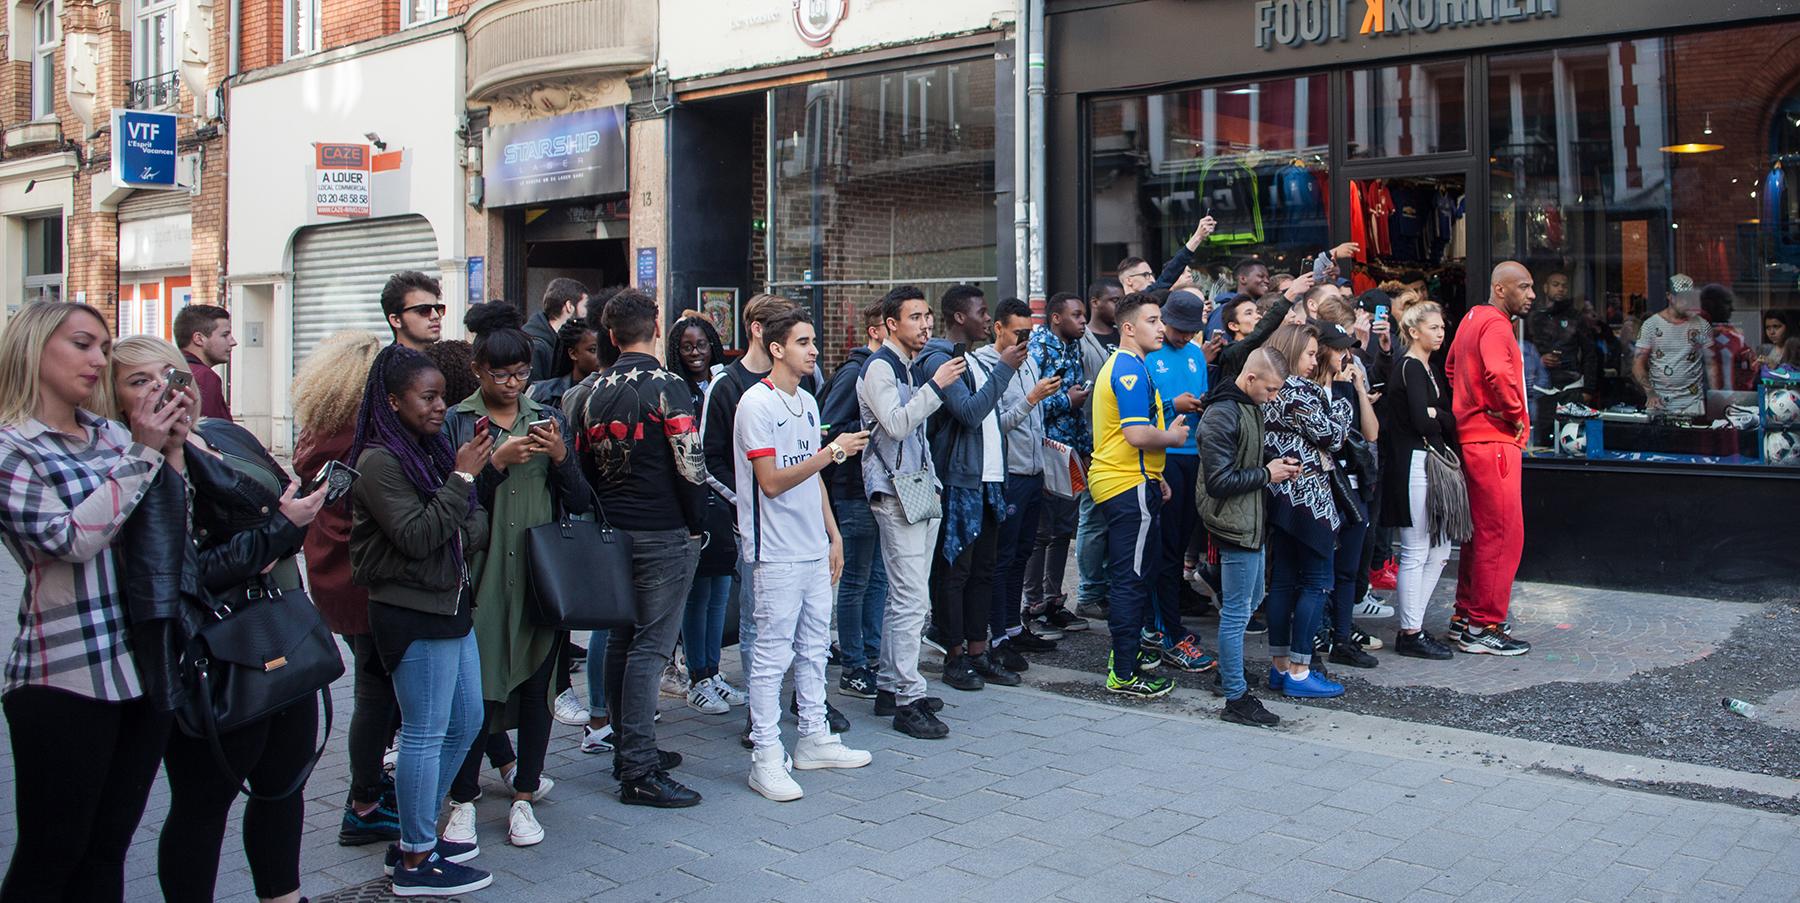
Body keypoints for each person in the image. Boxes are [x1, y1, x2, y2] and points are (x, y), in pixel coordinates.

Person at [105, 337, 325, 903]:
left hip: (279, 627)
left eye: (169, 374)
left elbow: (285, 499)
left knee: (284, 785)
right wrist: (275, 534)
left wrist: (285, 525)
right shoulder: (133, 467)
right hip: (210, 650)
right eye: (139, 381)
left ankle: (283, 896)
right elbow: (182, 574)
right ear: (114, 399)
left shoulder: (224, 434)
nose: (163, 390)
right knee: (205, 803)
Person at [0, 301, 185, 901]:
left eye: (104, 348)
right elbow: (71, 539)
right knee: (53, 852)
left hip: (141, 662)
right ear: (34, 347)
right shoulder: (13, 449)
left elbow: (167, 534)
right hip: (66, 671)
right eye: (82, 344)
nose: (98, 360)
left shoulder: (110, 434)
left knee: (108, 849)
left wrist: (173, 449)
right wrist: (144, 454)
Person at [441, 303, 591, 848]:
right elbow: (451, 505)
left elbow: (580, 500)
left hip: (537, 573)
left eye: (521, 373)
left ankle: (524, 796)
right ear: (478, 371)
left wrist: (562, 458)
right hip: (479, 574)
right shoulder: (459, 421)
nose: (512, 384)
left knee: (536, 690)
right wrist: (495, 464)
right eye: (500, 374)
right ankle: (462, 798)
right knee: (474, 695)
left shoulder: (547, 416)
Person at [348, 345, 494, 896]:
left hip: (450, 602)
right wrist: (462, 481)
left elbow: (474, 527)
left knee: (466, 720)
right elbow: (417, 536)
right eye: (427, 398)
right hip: (412, 611)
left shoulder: (428, 450)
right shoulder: (379, 461)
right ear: (393, 401)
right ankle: (415, 858)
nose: (439, 407)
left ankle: (417, 833)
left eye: (442, 397)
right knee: (425, 732)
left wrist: (455, 501)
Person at [734, 307, 875, 800]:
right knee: (772, 655)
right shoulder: (755, 404)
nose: (813, 350)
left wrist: (832, 534)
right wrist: (833, 452)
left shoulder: (809, 402)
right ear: (776, 348)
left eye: (813, 341)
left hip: (813, 545)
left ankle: (814, 736)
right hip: (775, 550)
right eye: (803, 342)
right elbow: (771, 482)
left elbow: (812, 478)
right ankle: (766, 755)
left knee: (815, 647)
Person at [580, 288, 709, 807]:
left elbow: (582, 470)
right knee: (650, 648)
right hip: (662, 531)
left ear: (611, 336)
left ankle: (627, 748)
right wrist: (696, 525)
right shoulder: (668, 386)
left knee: (621, 640)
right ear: (656, 329)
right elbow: (691, 466)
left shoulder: (590, 391)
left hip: (613, 531)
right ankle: (637, 767)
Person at [292, 330, 404, 847]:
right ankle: (364, 803)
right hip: (363, 576)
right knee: (375, 690)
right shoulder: (361, 433)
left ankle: (371, 789)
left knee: (374, 685)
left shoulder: (319, 428)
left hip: (331, 572)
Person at [858, 285, 961, 737]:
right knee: (910, 598)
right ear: (890, 324)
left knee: (908, 595)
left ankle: (889, 685)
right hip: (894, 492)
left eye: (927, 315)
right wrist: (936, 387)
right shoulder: (880, 367)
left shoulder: (906, 365)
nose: (926, 324)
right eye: (915, 317)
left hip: (917, 489)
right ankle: (908, 698)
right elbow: (897, 425)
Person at [914, 284, 1022, 690]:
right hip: (960, 482)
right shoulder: (939, 359)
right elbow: (969, 413)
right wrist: (1005, 369)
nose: (987, 318)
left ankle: (979, 651)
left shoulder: (973, 359)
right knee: (955, 571)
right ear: (960, 317)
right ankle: (954, 655)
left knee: (984, 571)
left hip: (988, 480)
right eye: (981, 312)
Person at [1089, 292, 1191, 697]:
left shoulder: (1132, 365)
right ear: (1129, 328)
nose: (1161, 328)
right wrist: (1174, 439)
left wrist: (1155, 474)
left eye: (1160, 320)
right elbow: (1135, 434)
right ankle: (1124, 673)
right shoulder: (1128, 368)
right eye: (1153, 321)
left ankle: (1126, 654)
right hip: (1125, 483)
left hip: (1135, 479)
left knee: (1136, 575)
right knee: (1130, 580)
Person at [1198, 346, 1297, 725]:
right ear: (1251, 378)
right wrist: (1268, 473)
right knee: (1238, 612)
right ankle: (1236, 698)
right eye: (1270, 389)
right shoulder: (1222, 413)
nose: (1273, 397)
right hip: (1234, 525)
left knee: (1249, 601)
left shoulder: (1247, 405)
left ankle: (1230, 675)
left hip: (1249, 522)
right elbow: (1219, 481)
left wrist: (1275, 466)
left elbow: (1246, 461)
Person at [1445, 261, 1534, 656]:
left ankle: (1467, 617)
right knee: (1501, 536)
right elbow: (1498, 372)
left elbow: (1451, 368)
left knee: (1481, 534)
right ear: (1501, 289)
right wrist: (1513, 414)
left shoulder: (1472, 319)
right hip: (1494, 441)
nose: (1531, 295)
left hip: (1476, 438)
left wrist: (1472, 403)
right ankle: (1483, 626)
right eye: (1524, 287)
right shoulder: (1497, 324)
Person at [1260, 323, 1348, 699]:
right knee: (1317, 581)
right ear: (1292, 351)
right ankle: (1299, 671)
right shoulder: (1298, 390)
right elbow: (1334, 437)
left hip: (1278, 495)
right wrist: (1342, 402)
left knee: (1282, 580)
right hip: (1309, 498)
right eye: (1310, 354)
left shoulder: (1268, 389)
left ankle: (1281, 667)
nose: (1315, 361)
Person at [974, 298, 1063, 671]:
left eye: (1029, 333)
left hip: (1032, 472)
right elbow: (993, 424)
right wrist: (1030, 399)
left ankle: (1013, 626)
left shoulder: (1030, 361)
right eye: (1018, 333)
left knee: (1022, 553)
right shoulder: (985, 365)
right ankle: (997, 635)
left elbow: (1035, 424)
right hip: (1007, 474)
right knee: (1003, 557)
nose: (1025, 340)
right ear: (998, 328)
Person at [1140, 289, 1221, 671]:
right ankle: (1163, 627)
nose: (1185, 336)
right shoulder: (1148, 354)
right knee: (1165, 548)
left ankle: (1171, 623)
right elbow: (1139, 411)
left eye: (1191, 330)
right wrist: (1175, 405)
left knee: (1181, 543)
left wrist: (1200, 404)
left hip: (1193, 455)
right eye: (1179, 329)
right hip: (1163, 457)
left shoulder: (1195, 354)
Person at [667, 314, 740, 715]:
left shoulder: (722, 385)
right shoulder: (674, 389)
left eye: (701, 345)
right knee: (697, 593)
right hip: (694, 500)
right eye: (686, 347)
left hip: (724, 499)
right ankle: (697, 676)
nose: (695, 353)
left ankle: (712, 671)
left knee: (720, 589)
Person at [818, 299, 891, 699]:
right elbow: (829, 428)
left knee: (877, 578)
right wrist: (875, 426)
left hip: (879, 490)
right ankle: (853, 664)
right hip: (852, 490)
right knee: (857, 579)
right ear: (876, 331)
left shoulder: (891, 370)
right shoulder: (856, 371)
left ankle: (871, 655)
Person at [1380, 302, 1458, 660]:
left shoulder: (1429, 368)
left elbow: (1447, 419)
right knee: (1416, 550)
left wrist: (1437, 415)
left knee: (1439, 550)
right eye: (1433, 327)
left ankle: (1414, 626)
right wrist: (1439, 418)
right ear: (1414, 331)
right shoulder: (1410, 366)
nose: (1440, 333)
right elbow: (1422, 422)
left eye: (1442, 327)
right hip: (1412, 463)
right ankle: (1411, 631)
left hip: (1430, 462)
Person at [1309, 320, 1381, 671]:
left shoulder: (1346, 387)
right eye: (1339, 348)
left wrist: (1359, 388)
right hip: (1322, 487)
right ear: (1322, 350)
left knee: (1349, 568)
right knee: (1318, 571)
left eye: (1347, 348)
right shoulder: (1306, 390)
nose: (1345, 355)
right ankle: (1313, 637)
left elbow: (1371, 432)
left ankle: (1342, 639)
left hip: (1352, 486)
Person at [1023, 291, 1093, 636]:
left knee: (1064, 529)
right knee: (1041, 532)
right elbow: (1028, 404)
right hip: (1045, 452)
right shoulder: (1038, 350)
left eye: (1083, 315)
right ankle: (1032, 605)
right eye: (1076, 315)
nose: (1083, 321)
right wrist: (1067, 400)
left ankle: (1053, 602)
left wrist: (1085, 450)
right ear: (1055, 318)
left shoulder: (1073, 348)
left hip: (1070, 454)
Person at [1073, 278, 1122, 622]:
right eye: (1113, 300)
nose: (1118, 305)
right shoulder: (1082, 341)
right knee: (1092, 519)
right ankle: (1089, 593)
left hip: (1122, 442)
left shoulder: (1124, 337)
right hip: (1094, 441)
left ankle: (1105, 589)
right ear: (1095, 302)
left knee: (1112, 521)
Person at [1633, 276, 1710, 416]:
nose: (1687, 302)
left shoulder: (1701, 324)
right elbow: (1637, 365)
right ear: (1669, 296)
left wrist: (1716, 396)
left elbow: (1713, 363)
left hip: (1692, 403)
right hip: (1659, 403)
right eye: (1682, 298)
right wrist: (1650, 392)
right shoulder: (1651, 325)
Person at [1118, 216, 1218, 295]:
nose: (1152, 280)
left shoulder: (1152, 300)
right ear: (1129, 280)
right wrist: (1198, 237)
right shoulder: (1132, 304)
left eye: (1152, 275)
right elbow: (1170, 273)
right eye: (1146, 275)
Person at [174, 303, 236, 419]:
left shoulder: (173, 370)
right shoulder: (204, 376)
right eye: (225, 335)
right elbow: (210, 426)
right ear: (199, 339)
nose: (233, 342)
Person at [528, 317, 601, 411]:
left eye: (603, 349)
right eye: (593, 350)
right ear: (573, 353)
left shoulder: (610, 390)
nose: (601, 355)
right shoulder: (542, 392)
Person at [525, 278, 589, 380]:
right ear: (569, 306)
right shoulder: (536, 347)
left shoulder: (548, 341)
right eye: (585, 306)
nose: (588, 312)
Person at [1701, 284, 1758, 392]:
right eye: (1727, 303)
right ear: (1711, 304)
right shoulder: (1691, 334)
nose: (1732, 309)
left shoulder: (1733, 337)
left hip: (1727, 397)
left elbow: (1750, 366)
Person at [383, 271, 447, 351]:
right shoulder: (386, 358)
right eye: (424, 310)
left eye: (437, 309)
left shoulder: (449, 356)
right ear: (396, 320)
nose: (436, 316)